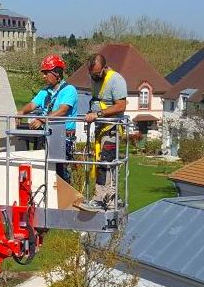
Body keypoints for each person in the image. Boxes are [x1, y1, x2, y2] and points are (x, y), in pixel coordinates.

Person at [17, 53, 78, 180]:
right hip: (46, 135)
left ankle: (63, 195)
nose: (43, 76)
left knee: (58, 174)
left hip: (62, 138)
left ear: (57, 73)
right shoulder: (45, 91)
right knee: (41, 172)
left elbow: (62, 111)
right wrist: (22, 112)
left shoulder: (69, 90)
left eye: (46, 72)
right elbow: (33, 104)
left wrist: (41, 120)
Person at [81, 53, 127, 210]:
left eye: (97, 74)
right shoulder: (94, 80)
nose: (95, 77)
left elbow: (121, 106)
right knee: (100, 162)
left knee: (106, 162)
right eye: (92, 74)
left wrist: (98, 114)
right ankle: (104, 196)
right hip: (100, 128)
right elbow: (96, 101)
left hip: (111, 128)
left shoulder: (116, 80)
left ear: (105, 68)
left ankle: (107, 198)